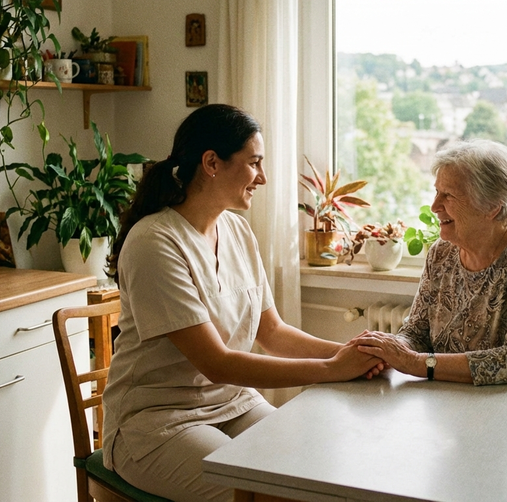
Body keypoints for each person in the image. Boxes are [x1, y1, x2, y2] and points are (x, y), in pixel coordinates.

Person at [102, 104, 384, 502]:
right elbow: (216, 363)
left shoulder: (236, 229)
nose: (263, 177)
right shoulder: (154, 242)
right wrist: (332, 369)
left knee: (312, 474)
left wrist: (354, 352)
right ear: (211, 163)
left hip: (232, 403)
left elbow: (273, 333)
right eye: (254, 163)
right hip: (157, 422)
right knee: (267, 494)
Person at [353, 139, 507, 384]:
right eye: (437, 192)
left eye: (448, 195)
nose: (434, 206)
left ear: (492, 207)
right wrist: (386, 351)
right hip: (457, 393)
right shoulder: (441, 253)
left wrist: (415, 363)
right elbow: (416, 333)